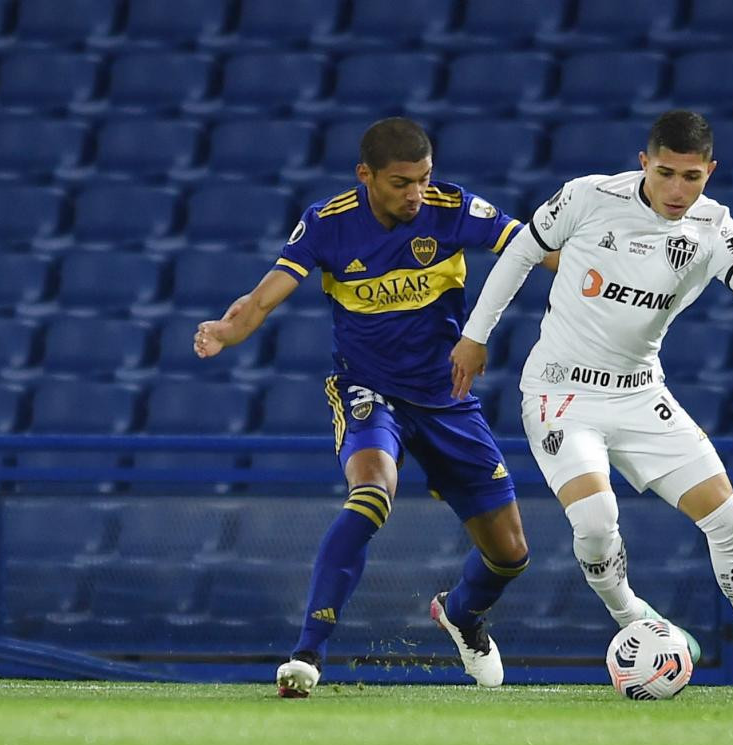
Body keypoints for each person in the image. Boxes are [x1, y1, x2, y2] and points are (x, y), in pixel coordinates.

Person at [449, 109, 733, 691]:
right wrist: (475, 335)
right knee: (595, 519)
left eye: (692, 177)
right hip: (561, 389)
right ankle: (635, 618)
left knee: (732, 520)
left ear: (710, 172)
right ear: (644, 162)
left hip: (640, 395)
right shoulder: (588, 197)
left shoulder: (714, 226)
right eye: (666, 173)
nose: (677, 189)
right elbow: (521, 254)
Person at [195, 117, 546, 696]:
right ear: (367, 176)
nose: (416, 195)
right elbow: (264, 297)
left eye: (424, 179)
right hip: (369, 389)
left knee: (510, 555)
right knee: (371, 492)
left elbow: (536, 248)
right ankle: (308, 653)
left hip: (447, 398)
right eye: (401, 183)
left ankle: (460, 613)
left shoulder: (452, 208)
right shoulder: (328, 224)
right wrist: (228, 332)